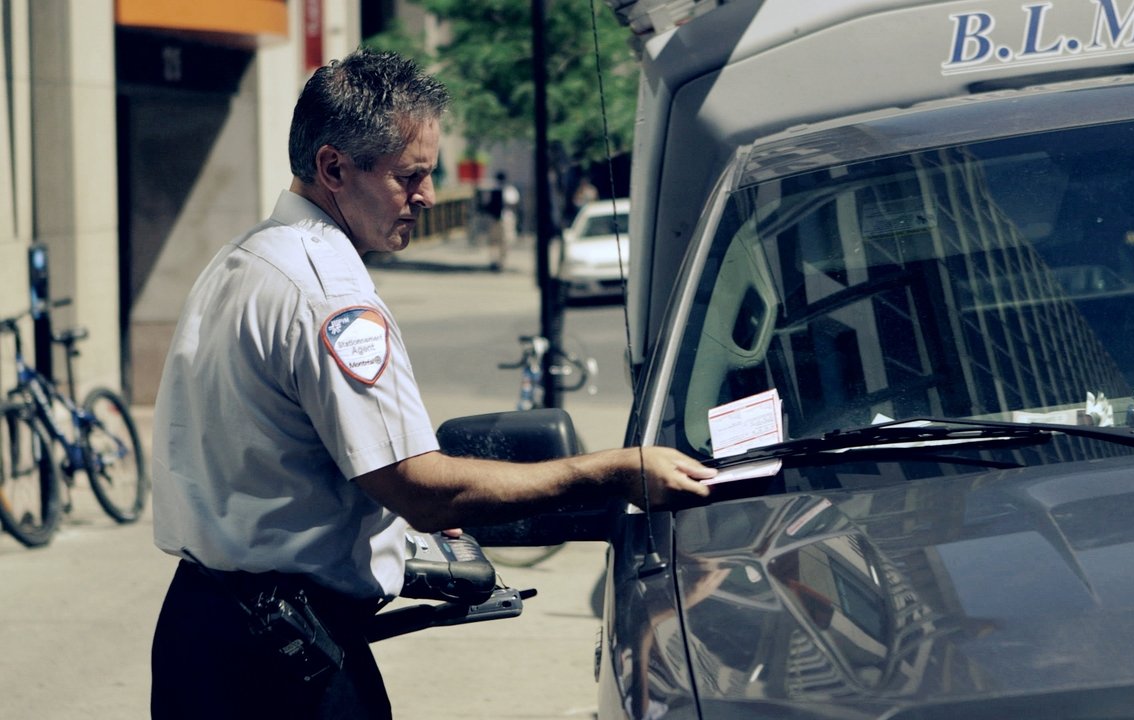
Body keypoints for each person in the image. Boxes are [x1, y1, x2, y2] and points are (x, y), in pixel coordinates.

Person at [148, 47, 714, 720]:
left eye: (430, 174)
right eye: (409, 176)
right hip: (282, 664)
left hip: (200, 634)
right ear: (333, 168)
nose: (429, 196)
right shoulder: (330, 296)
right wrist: (614, 471)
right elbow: (420, 488)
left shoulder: (242, 258)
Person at [486, 171, 520, 271]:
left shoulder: (509, 190)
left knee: (504, 241)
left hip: (506, 218)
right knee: (493, 241)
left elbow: (513, 204)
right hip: (494, 218)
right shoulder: (493, 189)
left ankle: (502, 262)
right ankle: (494, 261)